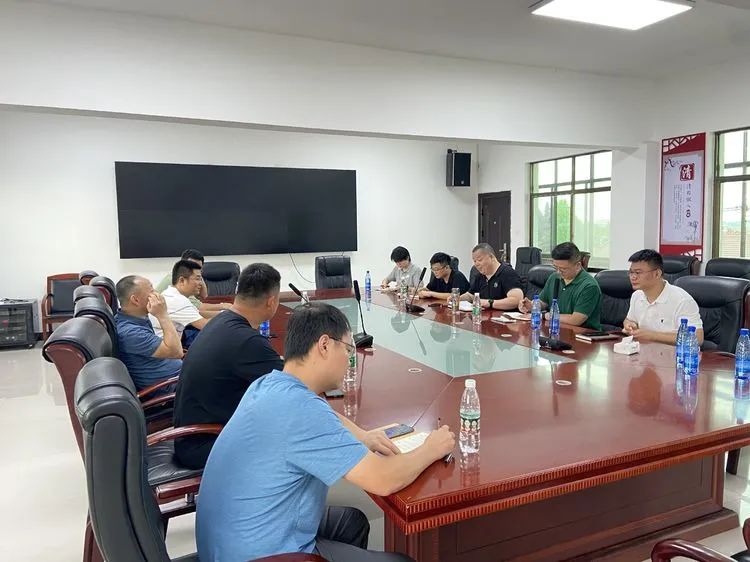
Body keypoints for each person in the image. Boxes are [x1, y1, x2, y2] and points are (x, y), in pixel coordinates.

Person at [196, 302, 454, 562]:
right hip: (259, 555)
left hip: (227, 542)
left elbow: (325, 414)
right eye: (348, 349)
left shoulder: (268, 384)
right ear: (325, 345)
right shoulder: (301, 410)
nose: (349, 360)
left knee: (351, 522)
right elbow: (383, 479)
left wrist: (363, 436)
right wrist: (431, 448)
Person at [173, 263, 285, 469]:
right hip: (206, 443)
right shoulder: (247, 340)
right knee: (290, 433)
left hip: (192, 436)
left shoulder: (222, 321)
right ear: (271, 302)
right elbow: (295, 383)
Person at [114, 275, 183, 391]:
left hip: (178, 375)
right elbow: (177, 352)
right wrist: (163, 315)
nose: (157, 294)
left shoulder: (135, 317)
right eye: (151, 291)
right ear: (135, 300)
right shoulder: (130, 333)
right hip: (170, 387)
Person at [623, 249, 704, 345]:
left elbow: (697, 338)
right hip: (644, 351)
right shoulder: (637, 295)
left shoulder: (682, 300)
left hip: (673, 353)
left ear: (657, 274)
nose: (633, 277)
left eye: (638, 272)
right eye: (631, 272)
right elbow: (629, 319)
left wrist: (652, 336)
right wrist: (629, 325)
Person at [518, 241, 602, 330]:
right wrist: (532, 305)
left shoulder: (589, 286)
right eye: (556, 267)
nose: (558, 272)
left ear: (578, 266)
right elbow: (543, 302)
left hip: (582, 334)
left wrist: (544, 315)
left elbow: (576, 320)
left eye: (563, 269)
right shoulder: (554, 277)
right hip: (555, 329)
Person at [155, 249, 231, 319]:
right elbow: (198, 308)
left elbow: (204, 296)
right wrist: (223, 307)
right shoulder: (177, 281)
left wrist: (199, 276)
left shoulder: (190, 279)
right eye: (191, 267)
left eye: (198, 268)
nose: (195, 269)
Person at [151, 259, 211, 341]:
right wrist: (226, 316)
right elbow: (206, 326)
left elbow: (198, 313)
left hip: (170, 343)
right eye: (197, 279)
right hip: (165, 347)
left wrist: (223, 313)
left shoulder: (171, 293)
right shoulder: (177, 301)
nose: (201, 283)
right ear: (182, 280)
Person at [462, 243, 523, 311]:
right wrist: (457, 298)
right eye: (474, 261)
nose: (476, 264)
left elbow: (516, 300)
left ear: (491, 257)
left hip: (504, 315)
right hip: (484, 315)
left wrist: (490, 303)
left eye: (479, 260)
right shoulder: (480, 276)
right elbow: (470, 295)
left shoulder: (507, 273)